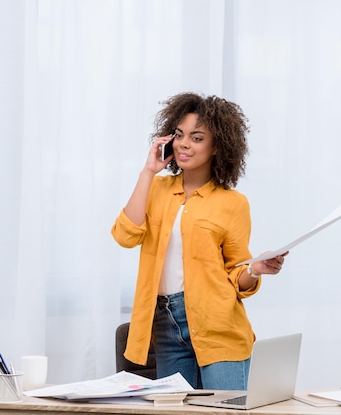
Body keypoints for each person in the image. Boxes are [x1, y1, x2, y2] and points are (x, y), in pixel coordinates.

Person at [111, 92, 287, 390]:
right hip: (165, 325)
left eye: (196, 138)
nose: (183, 144)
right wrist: (148, 172)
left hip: (218, 326)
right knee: (177, 411)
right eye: (179, 135)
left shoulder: (233, 203)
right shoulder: (156, 189)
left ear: (217, 145)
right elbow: (125, 236)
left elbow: (235, 276)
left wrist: (256, 269)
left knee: (225, 412)